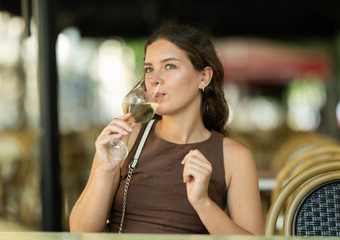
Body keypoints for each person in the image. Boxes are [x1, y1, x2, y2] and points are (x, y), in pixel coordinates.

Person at [69, 24, 265, 235]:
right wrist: (105, 171)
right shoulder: (125, 138)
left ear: (204, 78)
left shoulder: (234, 156)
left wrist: (203, 203)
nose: (155, 79)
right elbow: (80, 232)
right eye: (149, 69)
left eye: (169, 66)